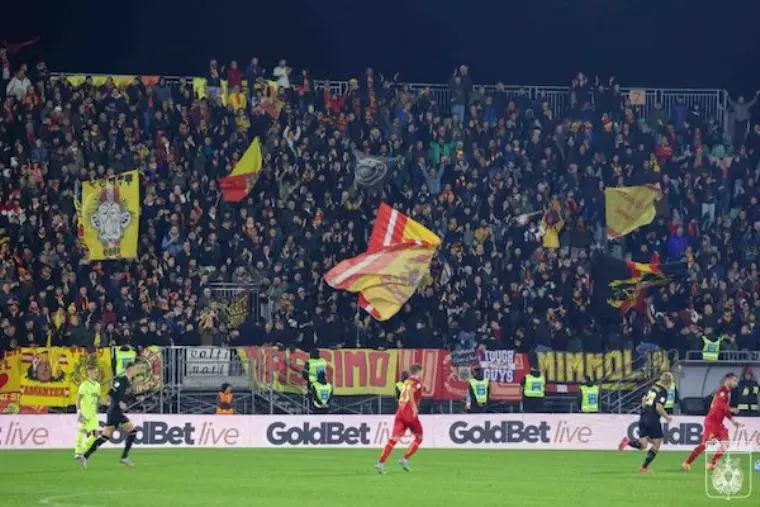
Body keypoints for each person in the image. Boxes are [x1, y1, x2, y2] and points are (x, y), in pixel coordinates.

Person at [79, 362, 139, 469]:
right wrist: (119, 402)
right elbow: (111, 393)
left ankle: (85, 456)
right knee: (133, 431)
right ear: (129, 369)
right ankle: (124, 457)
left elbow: (129, 397)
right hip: (114, 410)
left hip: (115, 411)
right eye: (135, 369)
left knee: (105, 437)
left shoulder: (130, 383)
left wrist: (137, 399)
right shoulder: (121, 380)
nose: (136, 371)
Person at [682, 372, 743, 472]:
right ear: (727, 380)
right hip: (712, 423)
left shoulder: (727, 392)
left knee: (725, 444)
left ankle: (711, 464)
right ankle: (687, 463)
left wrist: (732, 420)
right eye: (734, 380)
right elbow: (719, 405)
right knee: (704, 445)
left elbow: (723, 409)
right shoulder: (722, 390)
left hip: (719, 424)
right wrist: (731, 409)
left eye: (736, 381)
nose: (736, 383)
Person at [617, 371, 674, 473]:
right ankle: (644, 467)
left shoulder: (653, 387)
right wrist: (667, 417)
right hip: (652, 418)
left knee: (643, 445)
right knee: (657, 443)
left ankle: (628, 442)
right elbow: (659, 407)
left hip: (643, 415)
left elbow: (644, 399)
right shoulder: (663, 391)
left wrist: (646, 409)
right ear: (669, 382)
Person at [375, 364, 424, 474]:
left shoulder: (406, 382)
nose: (422, 374)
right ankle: (405, 459)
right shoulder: (417, 383)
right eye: (421, 372)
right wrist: (414, 407)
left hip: (400, 412)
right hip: (409, 413)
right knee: (419, 437)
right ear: (418, 372)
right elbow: (411, 392)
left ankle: (380, 463)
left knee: (394, 439)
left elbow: (403, 395)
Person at [74, 365, 101, 460]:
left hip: (92, 415)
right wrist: (79, 412)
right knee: (82, 431)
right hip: (84, 413)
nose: (96, 374)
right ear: (89, 372)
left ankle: (82, 449)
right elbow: (77, 399)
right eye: (94, 372)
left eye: (97, 372)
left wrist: (96, 410)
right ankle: (77, 451)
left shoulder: (98, 386)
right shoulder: (84, 385)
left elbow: (97, 400)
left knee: (95, 434)